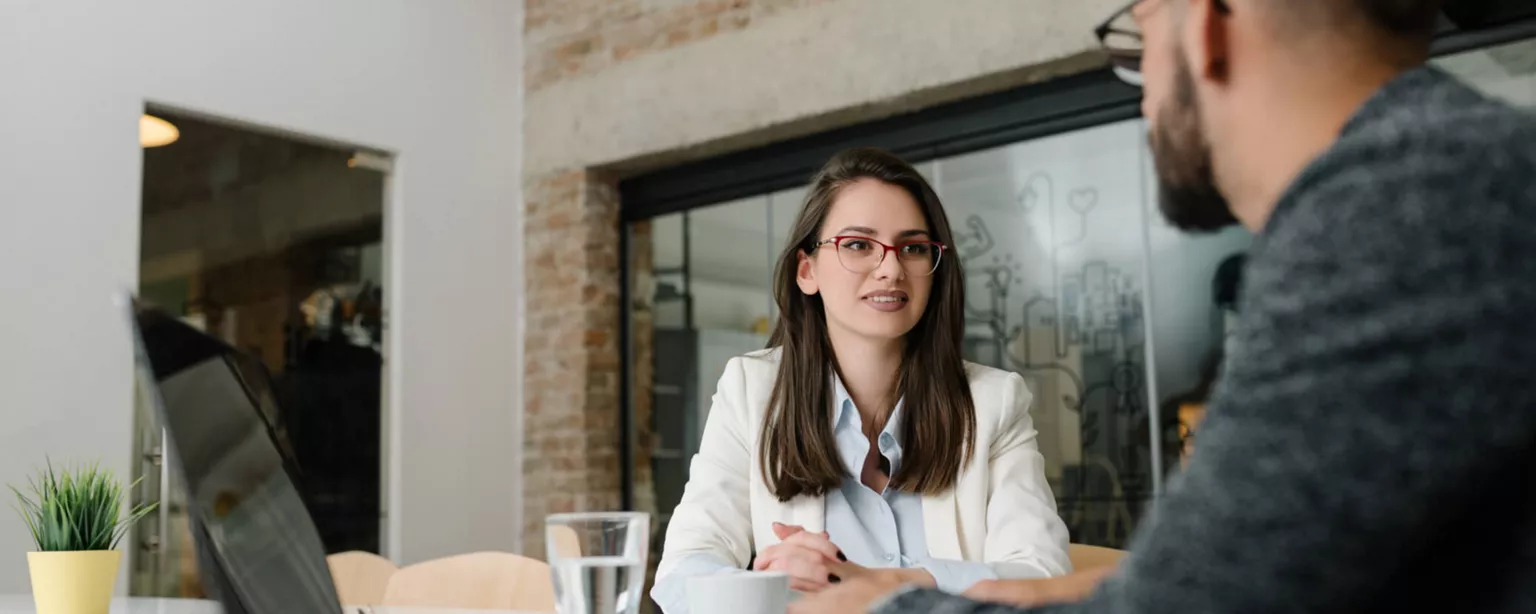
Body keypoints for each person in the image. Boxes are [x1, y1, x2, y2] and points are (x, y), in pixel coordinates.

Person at [792, 0, 1536, 612]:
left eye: (1139, 42)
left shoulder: (1399, 208)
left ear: (1207, 25)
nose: (1145, 94)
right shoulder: (1448, 175)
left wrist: (878, 607)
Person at [650, 148, 1072, 613]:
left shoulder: (992, 403)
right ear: (806, 270)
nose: (891, 268)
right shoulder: (751, 392)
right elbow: (683, 572)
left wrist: (881, 584)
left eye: (913, 248)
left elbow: (1042, 576)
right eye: (858, 245)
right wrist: (766, 585)